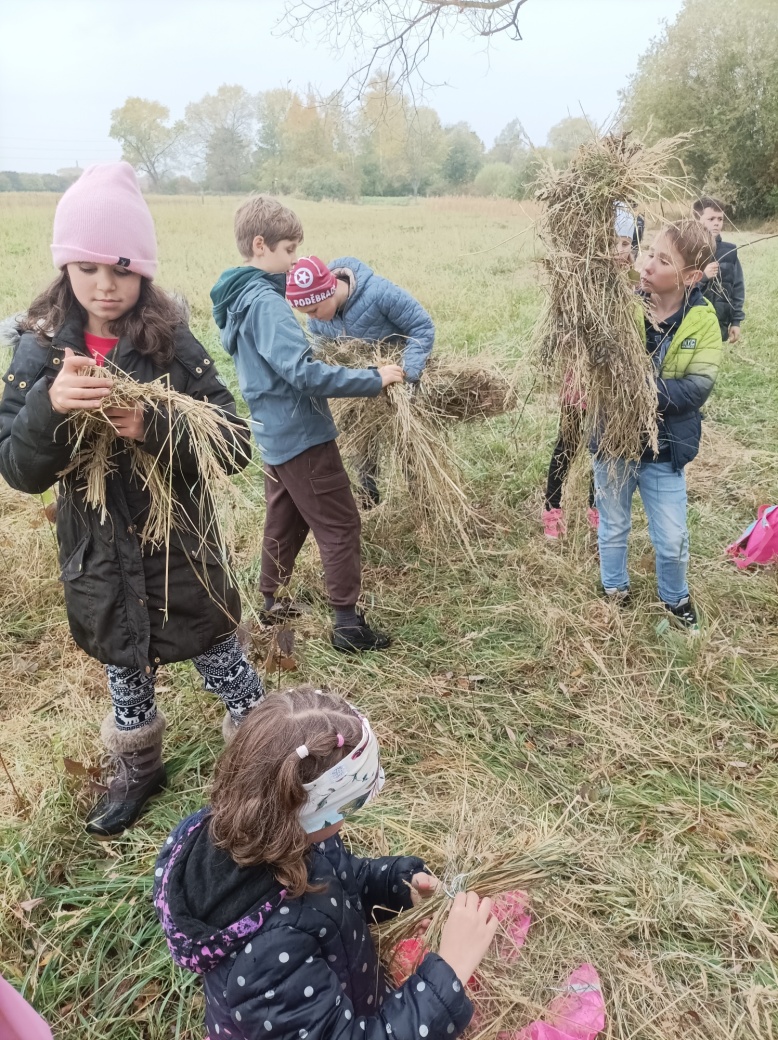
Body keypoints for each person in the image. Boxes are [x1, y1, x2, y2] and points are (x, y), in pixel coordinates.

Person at [0, 163, 265, 837]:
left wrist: (155, 426)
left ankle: (262, 759)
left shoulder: (169, 344)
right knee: (125, 663)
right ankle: (139, 767)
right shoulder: (38, 350)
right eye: (86, 269)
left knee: (220, 653)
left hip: (180, 547)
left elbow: (232, 443)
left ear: (143, 270)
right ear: (66, 269)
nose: (105, 286)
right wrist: (48, 408)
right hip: (96, 554)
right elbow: (18, 469)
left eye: (120, 269)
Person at [154, 686, 499, 1040]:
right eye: (350, 806)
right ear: (314, 809)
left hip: (343, 993)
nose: (346, 821)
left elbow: (343, 880)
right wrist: (450, 972)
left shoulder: (280, 832)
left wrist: (400, 886)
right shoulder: (269, 958)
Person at [210, 199, 405, 652]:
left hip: (273, 432)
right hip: (301, 433)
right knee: (340, 523)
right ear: (260, 245)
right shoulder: (267, 304)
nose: (296, 259)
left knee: (286, 518)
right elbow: (302, 373)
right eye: (290, 249)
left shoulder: (239, 298)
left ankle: (270, 599)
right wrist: (373, 379)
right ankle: (348, 625)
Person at [593, 219, 722, 630]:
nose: (647, 264)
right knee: (613, 525)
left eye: (662, 260)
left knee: (672, 540)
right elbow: (596, 362)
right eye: (648, 252)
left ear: (690, 276)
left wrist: (635, 386)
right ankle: (614, 589)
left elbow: (694, 391)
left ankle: (675, 598)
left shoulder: (703, 320)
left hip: (665, 450)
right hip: (613, 441)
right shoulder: (621, 305)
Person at [291, 255, 435, 507]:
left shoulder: (379, 293)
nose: (312, 318)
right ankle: (369, 496)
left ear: (328, 290)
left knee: (408, 442)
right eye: (306, 313)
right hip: (360, 386)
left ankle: (423, 498)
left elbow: (421, 327)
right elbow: (321, 349)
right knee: (361, 441)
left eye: (314, 310)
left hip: (399, 386)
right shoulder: (319, 320)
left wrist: (408, 374)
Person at [542, 205, 636, 539]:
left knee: (602, 445)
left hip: (612, 385)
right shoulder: (580, 285)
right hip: (580, 380)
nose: (622, 251)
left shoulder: (631, 286)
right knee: (567, 443)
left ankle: (596, 510)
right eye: (615, 242)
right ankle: (552, 509)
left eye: (627, 243)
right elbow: (567, 332)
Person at [692, 196, 745, 344]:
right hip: (691, 322)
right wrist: (702, 277)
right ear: (697, 220)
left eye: (720, 219)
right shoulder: (687, 250)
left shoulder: (729, 252)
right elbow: (678, 288)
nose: (716, 223)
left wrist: (736, 321)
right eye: (711, 219)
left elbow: (737, 288)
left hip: (718, 325)